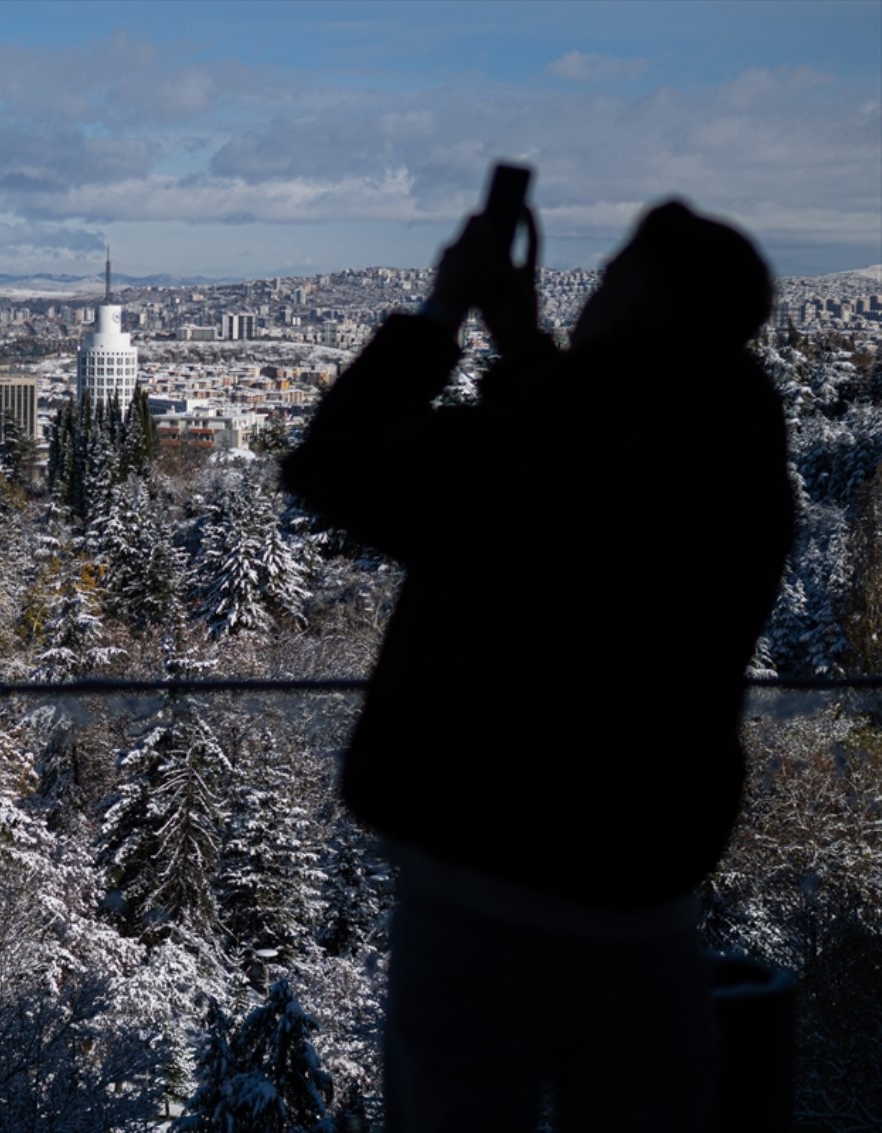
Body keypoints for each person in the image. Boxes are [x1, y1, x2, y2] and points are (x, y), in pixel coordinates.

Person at [281, 195, 794, 1130]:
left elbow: (334, 465)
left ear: (634, 308)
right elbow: (603, 455)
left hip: (479, 884)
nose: (588, 294)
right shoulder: (747, 466)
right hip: (646, 892)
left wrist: (440, 315)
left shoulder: (532, 452)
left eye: (607, 280)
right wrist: (524, 349)